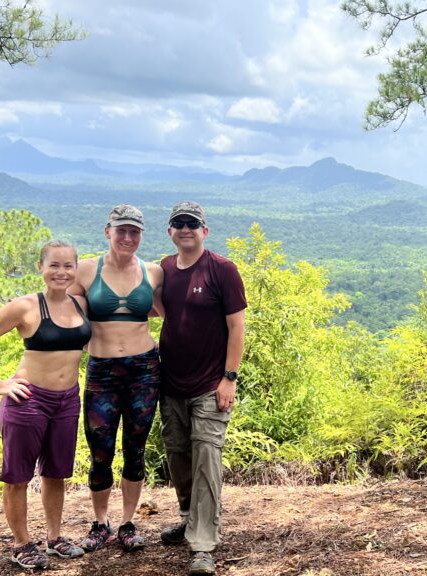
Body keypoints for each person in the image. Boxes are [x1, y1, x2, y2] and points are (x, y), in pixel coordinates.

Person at [0, 240, 90, 570]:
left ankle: (55, 537)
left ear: (76, 270)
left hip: (67, 400)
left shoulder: (80, 305)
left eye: (68, 266)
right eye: (54, 265)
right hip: (29, 400)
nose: (61, 272)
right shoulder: (25, 307)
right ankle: (21, 543)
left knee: (56, 473)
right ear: (41, 267)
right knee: (18, 477)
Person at [155, 201, 246, 576]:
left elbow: (237, 328)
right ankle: (191, 517)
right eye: (178, 223)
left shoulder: (222, 270)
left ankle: (203, 544)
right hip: (170, 383)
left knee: (206, 458)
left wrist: (229, 378)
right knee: (178, 456)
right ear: (171, 231)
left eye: (193, 223)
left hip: (210, 385)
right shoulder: (163, 269)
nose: (185, 228)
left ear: (204, 231)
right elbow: (157, 309)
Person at [70, 204, 163, 553]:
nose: (127, 237)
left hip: (144, 370)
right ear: (107, 231)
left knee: (135, 450)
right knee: (100, 451)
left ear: (141, 235)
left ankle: (126, 523)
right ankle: (100, 523)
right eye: (121, 230)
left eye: (134, 231)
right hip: (103, 371)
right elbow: (61, 313)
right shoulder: (84, 271)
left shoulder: (153, 272)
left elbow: (174, 312)